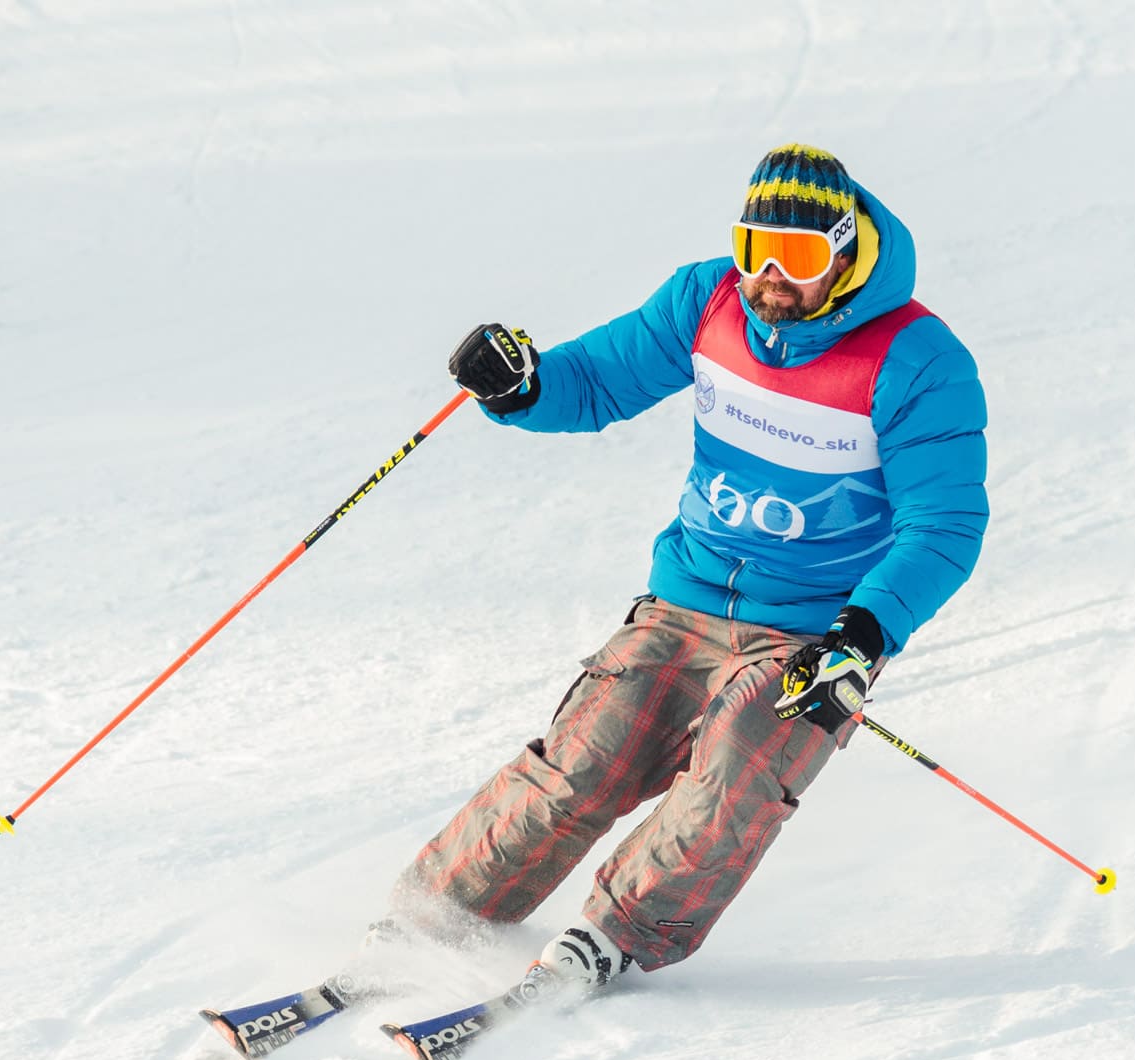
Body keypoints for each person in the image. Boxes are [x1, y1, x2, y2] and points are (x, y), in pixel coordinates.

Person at [387, 144, 990, 997]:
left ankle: (614, 934)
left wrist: (865, 632)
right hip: (684, 601)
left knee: (737, 767)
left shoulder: (919, 362)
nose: (773, 276)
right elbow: (593, 383)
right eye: (756, 249)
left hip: (813, 633)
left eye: (803, 256)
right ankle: (430, 915)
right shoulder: (705, 301)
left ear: (849, 253)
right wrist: (521, 387)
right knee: (584, 761)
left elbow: (947, 523)